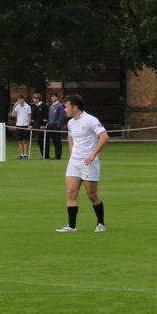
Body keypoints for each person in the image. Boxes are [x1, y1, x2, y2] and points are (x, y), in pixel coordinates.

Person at [57, 94, 108, 233]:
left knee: (91, 195)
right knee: (71, 193)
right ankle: (71, 226)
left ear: (75, 107)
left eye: (66, 107)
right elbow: (70, 137)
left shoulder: (90, 120)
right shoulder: (70, 123)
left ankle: (101, 224)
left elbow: (104, 136)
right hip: (74, 162)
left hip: (89, 163)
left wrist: (93, 154)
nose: (65, 109)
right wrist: (72, 152)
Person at [45, 96, 68, 161]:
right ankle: (55, 154)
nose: (52, 98)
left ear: (57, 97)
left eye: (54, 96)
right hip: (50, 124)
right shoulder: (51, 105)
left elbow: (61, 115)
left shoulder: (60, 105)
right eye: (51, 97)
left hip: (56, 125)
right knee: (54, 141)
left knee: (57, 140)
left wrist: (59, 124)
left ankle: (58, 155)